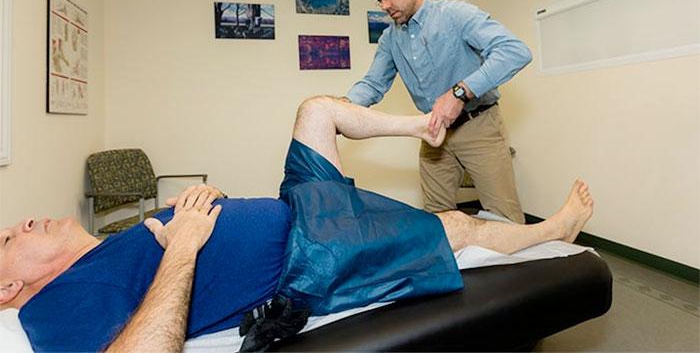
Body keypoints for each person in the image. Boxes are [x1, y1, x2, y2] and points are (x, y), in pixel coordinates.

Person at [0, 96, 593, 352]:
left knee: (317, 111)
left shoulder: (101, 251)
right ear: (6, 290)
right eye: (7, 239)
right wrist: (183, 245)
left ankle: (421, 127)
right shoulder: (47, 311)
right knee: (454, 226)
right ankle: (554, 230)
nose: (22, 221)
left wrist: (209, 201)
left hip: (297, 212)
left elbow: (210, 232)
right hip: (311, 256)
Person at [345, 0, 533, 223]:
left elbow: (515, 52)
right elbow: (373, 83)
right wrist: (341, 106)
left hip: (478, 125)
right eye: (379, 0)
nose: (385, 6)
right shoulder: (389, 39)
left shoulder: (455, 14)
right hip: (432, 131)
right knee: (438, 219)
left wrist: (460, 92)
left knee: (505, 219)